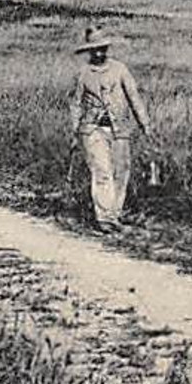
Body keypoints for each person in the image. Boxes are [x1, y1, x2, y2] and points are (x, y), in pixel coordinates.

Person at [69, 26, 151, 232]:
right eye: (94, 50)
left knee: (121, 171)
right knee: (102, 171)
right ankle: (104, 217)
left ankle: (114, 214)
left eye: (102, 48)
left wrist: (145, 123)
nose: (98, 53)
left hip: (120, 128)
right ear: (88, 51)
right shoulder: (83, 73)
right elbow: (76, 103)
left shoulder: (120, 70)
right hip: (93, 130)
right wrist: (74, 129)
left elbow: (134, 97)